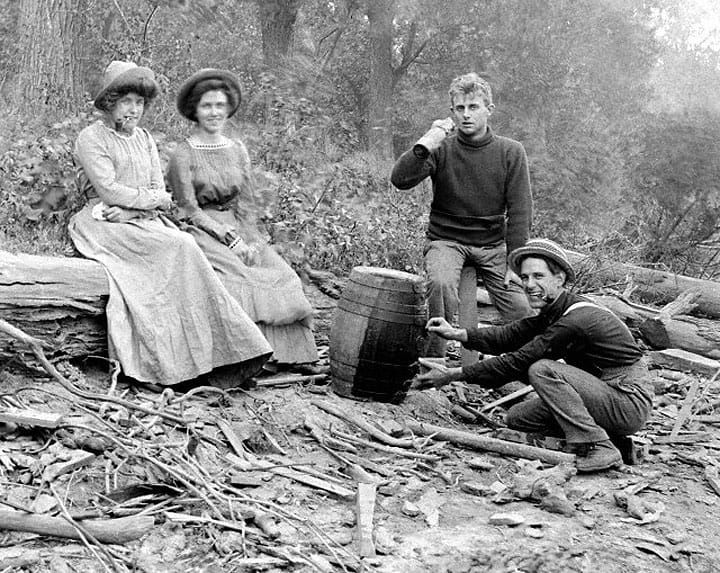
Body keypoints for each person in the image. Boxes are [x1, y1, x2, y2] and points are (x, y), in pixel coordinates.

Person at [69, 61, 273, 387]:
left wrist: (135, 210)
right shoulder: (91, 138)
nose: (134, 109)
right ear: (110, 103)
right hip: (103, 221)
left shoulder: (145, 138)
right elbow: (108, 191)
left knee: (185, 247)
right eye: (126, 102)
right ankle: (158, 364)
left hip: (136, 218)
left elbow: (162, 194)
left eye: (139, 102)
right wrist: (140, 204)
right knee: (172, 249)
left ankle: (224, 354)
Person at [412, 238, 654, 472]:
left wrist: (454, 375)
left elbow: (519, 361)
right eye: (525, 277)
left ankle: (598, 446)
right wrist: (456, 333)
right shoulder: (555, 310)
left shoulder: (576, 319)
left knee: (542, 369)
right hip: (603, 395)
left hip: (627, 400)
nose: (529, 285)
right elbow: (509, 336)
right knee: (519, 418)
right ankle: (616, 444)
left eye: (539, 276)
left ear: (559, 279)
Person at [167, 68, 318, 369]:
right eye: (207, 106)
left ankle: (286, 357)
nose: (214, 113)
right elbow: (188, 209)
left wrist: (250, 239)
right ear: (195, 110)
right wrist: (227, 237)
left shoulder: (238, 150)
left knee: (282, 274)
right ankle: (245, 358)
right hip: (203, 232)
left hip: (240, 228)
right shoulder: (182, 154)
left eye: (220, 106)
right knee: (236, 279)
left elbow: (247, 204)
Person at [391, 72, 533, 357]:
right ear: (452, 112)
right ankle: (433, 361)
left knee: (522, 310)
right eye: (460, 108)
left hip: (492, 245)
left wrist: (515, 263)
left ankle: (528, 364)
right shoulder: (441, 147)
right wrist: (425, 145)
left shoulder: (511, 152)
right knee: (440, 285)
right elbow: (400, 179)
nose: (466, 115)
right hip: (446, 240)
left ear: (488, 110)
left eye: (474, 107)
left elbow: (520, 211)